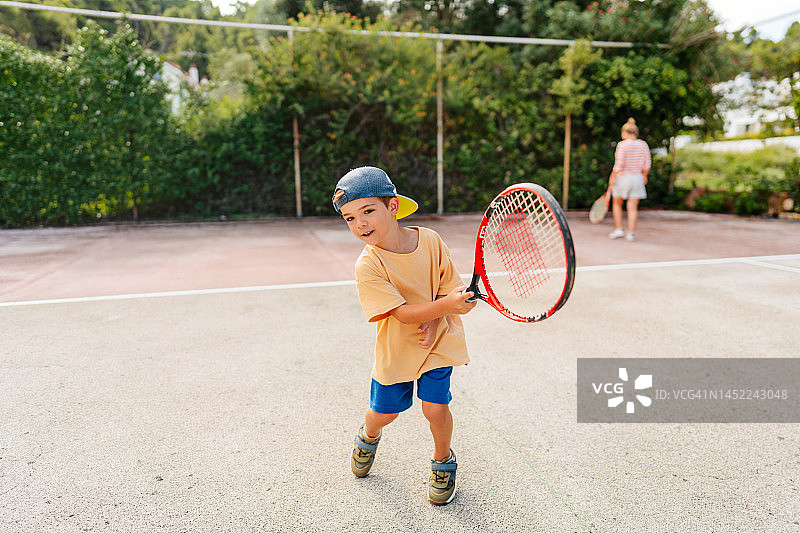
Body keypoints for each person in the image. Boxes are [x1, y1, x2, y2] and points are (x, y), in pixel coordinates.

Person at [332, 166, 476, 506]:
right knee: (385, 413)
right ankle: (369, 435)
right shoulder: (367, 265)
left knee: (435, 407)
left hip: (438, 343)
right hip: (397, 350)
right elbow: (400, 314)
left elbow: (449, 288)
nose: (361, 224)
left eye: (368, 211)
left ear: (393, 207)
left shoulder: (429, 240)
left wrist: (447, 311)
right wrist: (443, 307)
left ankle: (443, 461)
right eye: (350, 218)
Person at [607, 117, 651, 242]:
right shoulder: (643, 145)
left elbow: (619, 164)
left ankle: (619, 229)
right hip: (637, 178)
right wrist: (644, 176)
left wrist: (612, 177)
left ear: (624, 132)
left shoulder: (622, 145)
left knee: (617, 203)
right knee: (632, 207)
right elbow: (647, 164)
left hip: (623, 178)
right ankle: (631, 233)